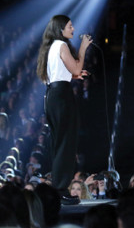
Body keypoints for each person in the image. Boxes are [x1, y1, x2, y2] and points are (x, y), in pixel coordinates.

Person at [36, 14, 92, 205]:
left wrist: (72, 77)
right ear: (60, 29)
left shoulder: (51, 48)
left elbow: (58, 75)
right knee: (66, 142)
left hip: (53, 94)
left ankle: (58, 187)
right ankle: (60, 188)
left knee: (60, 142)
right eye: (70, 26)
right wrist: (83, 49)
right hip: (61, 97)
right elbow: (76, 69)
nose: (73, 29)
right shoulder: (61, 45)